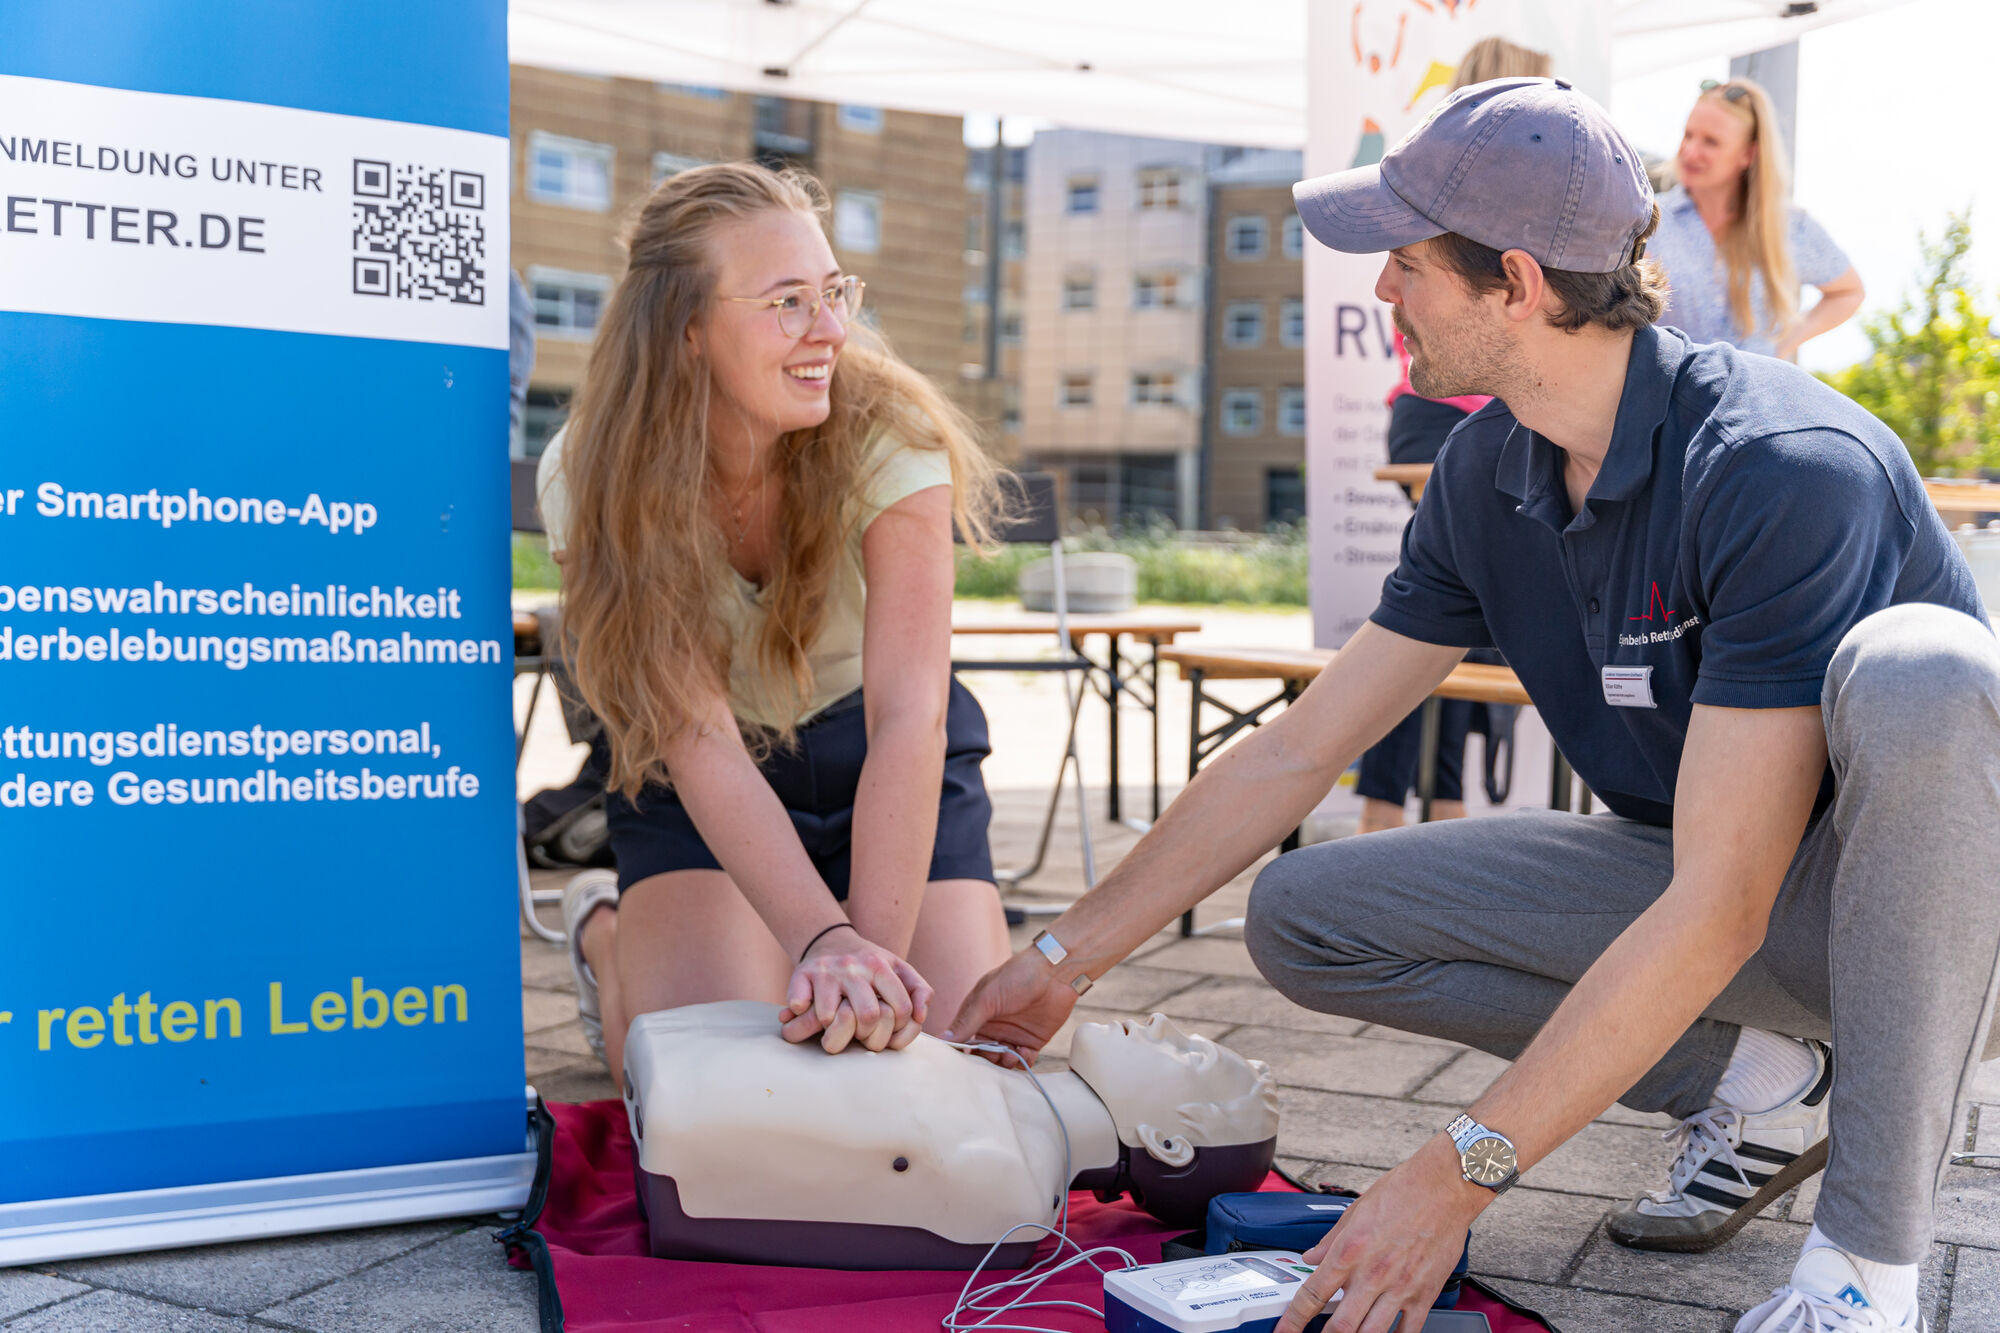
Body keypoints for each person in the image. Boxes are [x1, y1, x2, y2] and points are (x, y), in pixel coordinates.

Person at [946, 78, 2000, 1333]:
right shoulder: (1482, 468)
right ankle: (1758, 1077)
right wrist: (1061, 959)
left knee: (1924, 670)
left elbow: (1717, 909)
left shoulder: (1776, 467)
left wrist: (1453, 1176)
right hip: (1735, 898)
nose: (1381, 291)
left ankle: (1860, 1274)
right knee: (1305, 913)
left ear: (1516, 280)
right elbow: (1295, 754)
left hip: (1929, 933)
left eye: (1404, 264)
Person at [540, 161, 1013, 1085]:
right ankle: (607, 934)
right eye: (788, 301)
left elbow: (910, 715)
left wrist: (862, 966)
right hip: (704, 768)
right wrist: (820, 938)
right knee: (719, 1081)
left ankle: (785, 938)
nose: (832, 329)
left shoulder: (890, 427)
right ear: (685, 330)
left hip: (875, 745)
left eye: (833, 292)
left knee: (964, 1065)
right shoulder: (589, 472)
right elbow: (695, 730)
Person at [623, 1002, 1277, 1266]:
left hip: (683, 1113)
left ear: (1169, 1142)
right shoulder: (990, 1091)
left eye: (1186, 1054)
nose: (1161, 1020)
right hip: (678, 1073)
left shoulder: (1011, 1194)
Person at [1355, 36, 1546, 835]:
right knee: (1436, 609)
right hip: (1444, 413)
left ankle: (1437, 810)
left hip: (1477, 408)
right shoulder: (1452, 175)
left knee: (1465, 609)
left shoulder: (1536, 191)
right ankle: (1388, 815)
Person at [1651, 77, 1864, 360]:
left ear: (1748, 154)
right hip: (1667, 400)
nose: (1690, 151)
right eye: (1688, 135)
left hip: (1754, 399)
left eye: (1710, 142)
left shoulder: (1789, 227)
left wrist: (1780, 348)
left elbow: (1849, 292)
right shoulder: (1649, 221)